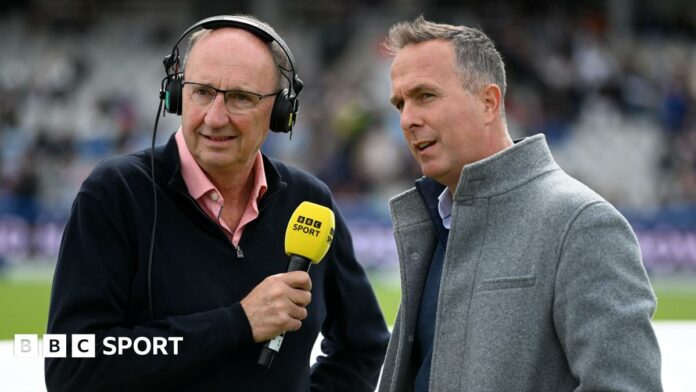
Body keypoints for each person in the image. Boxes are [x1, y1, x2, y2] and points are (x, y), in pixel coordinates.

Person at [45, 15, 388, 392]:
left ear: (279, 112)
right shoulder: (115, 193)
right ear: (176, 94)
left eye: (241, 97)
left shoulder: (309, 201)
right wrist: (238, 323)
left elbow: (365, 344)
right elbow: (73, 368)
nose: (215, 117)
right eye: (202, 92)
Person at [378, 16, 661, 392]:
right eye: (400, 104)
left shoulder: (581, 223)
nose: (408, 120)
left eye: (425, 96)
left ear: (488, 103)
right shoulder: (435, 222)